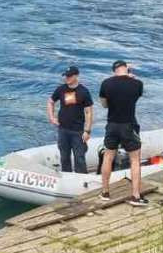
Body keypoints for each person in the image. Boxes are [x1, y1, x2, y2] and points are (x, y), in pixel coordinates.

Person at [98, 60, 149, 206]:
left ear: (114, 70)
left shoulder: (106, 83)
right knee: (134, 159)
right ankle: (135, 195)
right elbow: (136, 97)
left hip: (112, 124)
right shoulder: (137, 84)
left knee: (108, 156)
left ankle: (105, 192)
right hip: (128, 124)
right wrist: (132, 77)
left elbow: (104, 104)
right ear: (127, 68)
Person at [47, 65, 94, 174]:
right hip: (63, 130)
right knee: (64, 157)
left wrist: (87, 131)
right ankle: (66, 177)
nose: (66, 78)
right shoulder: (61, 89)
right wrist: (51, 117)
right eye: (65, 76)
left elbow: (89, 112)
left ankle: (82, 180)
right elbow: (50, 102)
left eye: (69, 76)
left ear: (76, 76)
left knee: (79, 158)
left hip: (78, 131)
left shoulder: (84, 91)